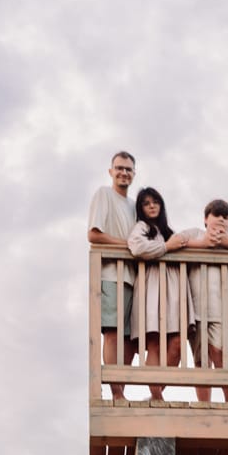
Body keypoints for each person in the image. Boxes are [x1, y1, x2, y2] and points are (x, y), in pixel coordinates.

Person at [174, 199, 228, 402]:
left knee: (219, 352)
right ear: (206, 219)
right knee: (201, 360)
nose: (221, 219)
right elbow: (174, 242)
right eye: (216, 215)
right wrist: (202, 244)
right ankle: (204, 405)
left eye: (226, 217)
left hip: (224, 312)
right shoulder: (195, 234)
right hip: (196, 311)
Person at [128, 187, 196, 401]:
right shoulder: (141, 228)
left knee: (177, 344)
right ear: (141, 208)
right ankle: (157, 397)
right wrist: (167, 247)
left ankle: (156, 394)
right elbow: (138, 248)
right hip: (152, 289)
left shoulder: (170, 232)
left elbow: (192, 246)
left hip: (174, 291)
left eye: (155, 202)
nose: (152, 206)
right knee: (155, 344)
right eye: (146, 203)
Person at [88, 151, 137, 400]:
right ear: (111, 171)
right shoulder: (104, 194)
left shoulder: (134, 205)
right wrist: (127, 245)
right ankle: (116, 393)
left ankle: (122, 391)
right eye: (119, 168)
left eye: (128, 169)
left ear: (134, 174)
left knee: (129, 339)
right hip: (110, 274)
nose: (123, 173)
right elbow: (94, 234)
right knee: (113, 333)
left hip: (133, 277)